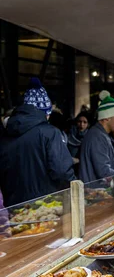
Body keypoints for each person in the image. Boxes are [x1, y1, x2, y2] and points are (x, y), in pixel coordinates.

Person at [0, 78, 75, 207]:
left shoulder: (6, 134)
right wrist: (77, 189)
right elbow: (62, 172)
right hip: (46, 207)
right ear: (45, 113)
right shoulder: (50, 133)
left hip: (13, 208)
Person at [79, 91, 114, 183]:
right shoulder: (97, 137)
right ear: (107, 118)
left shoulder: (104, 135)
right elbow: (104, 171)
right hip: (96, 194)